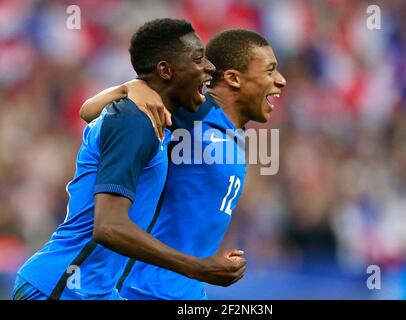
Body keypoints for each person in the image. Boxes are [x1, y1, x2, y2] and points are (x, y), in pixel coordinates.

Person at [13, 19, 246, 300]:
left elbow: (89, 112)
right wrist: (196, 268)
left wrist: (127, 87)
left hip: (95, 291)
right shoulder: (133, 122)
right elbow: (109, 227)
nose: (209, 67)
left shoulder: (154, 118)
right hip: (59, 288)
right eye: (198, 59)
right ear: (166, 70)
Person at [79, 29, 286, 299]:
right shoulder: (193, 112)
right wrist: (132, 87)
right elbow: (93, 113)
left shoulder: (235, 134)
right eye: (270, 71)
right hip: (140, 290)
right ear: (234, 78)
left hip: (189, 293)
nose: (280, 81)